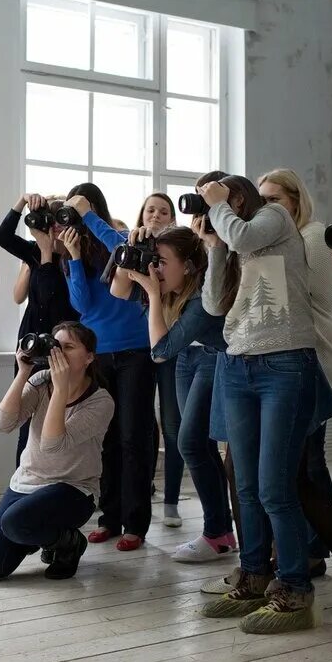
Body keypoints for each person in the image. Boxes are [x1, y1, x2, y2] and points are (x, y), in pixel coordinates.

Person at [197, 174, 325, 635]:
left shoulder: (274, 218)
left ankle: (294, 587)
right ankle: (254, 574)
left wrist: (217, 209)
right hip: (237, 366)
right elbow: (213, 305)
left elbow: (244, 233)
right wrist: (213, 245)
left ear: (237, 196)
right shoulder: (232, 240)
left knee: (275, 487)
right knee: (246, 485)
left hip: (284, 364)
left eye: (217, 194)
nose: (211, 202)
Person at [258, 168, 332, 623]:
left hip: (310, 366)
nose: (269, 208)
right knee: (293, 477)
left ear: (295, 199)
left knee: (303, 474)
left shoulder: (310, 236)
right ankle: (301, 557)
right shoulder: (276, 240)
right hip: (277, 368)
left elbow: (315, 299)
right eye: (262, 201)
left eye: (275, 199)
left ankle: (321, 558)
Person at [110, 224, 236, 562]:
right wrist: (130, 247)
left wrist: (152, 294)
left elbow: (160, 350)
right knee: (200, 445)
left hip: (212, 357)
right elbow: (119, 292)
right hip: (187, 360)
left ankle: (215, 533)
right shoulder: (171, 288)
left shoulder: (200, 301)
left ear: (190, 265)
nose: (156, 268)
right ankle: (222, 534)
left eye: (162, 261)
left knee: (191, 444)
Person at [0, 322, 113, 581]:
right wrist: (23, 371)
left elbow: (52, 444)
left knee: (15, 522)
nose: (59, 353)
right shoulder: (41, 382)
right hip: (27, 482)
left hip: (73, 489)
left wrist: (60, 389)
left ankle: (69, 543)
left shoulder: (101, 402)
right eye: (56, 346)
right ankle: (42, 535)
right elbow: (3, 425)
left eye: (69, 347)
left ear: (89, 357)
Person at [59, 183, 156, 551]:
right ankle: (109, 517)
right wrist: (72, 256)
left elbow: (125, 245)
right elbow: (82, 307)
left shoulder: (117, 236)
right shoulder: (77, 249)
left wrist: (90, 215)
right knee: (108, 439)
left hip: (136, 351)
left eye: (80, 209)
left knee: (134, 438)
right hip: (99, 355)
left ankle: (136, 523)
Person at [0, 193, 79, 465]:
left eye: (60, 222)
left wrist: (46, 253)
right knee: (24, 418)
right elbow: (3, 236)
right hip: (30, 344)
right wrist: (20, 203)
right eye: (49, 221)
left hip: (60, 348)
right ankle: (23, 480)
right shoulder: (33, 251)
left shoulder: (75, 260)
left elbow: (49, 297)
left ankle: (52, 481)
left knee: (56, 418)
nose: (53, 228)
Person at [131, 193, 187, 527]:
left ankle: (171, 501)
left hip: (169, 345)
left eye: (164, 211)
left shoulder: (179, 254)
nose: (156, 215)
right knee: (138, 425)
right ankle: (141, 492)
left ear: (172, 219)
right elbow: (120, 290)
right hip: (136, 348)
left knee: (172, 424)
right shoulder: (132, 244)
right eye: (151, 210)